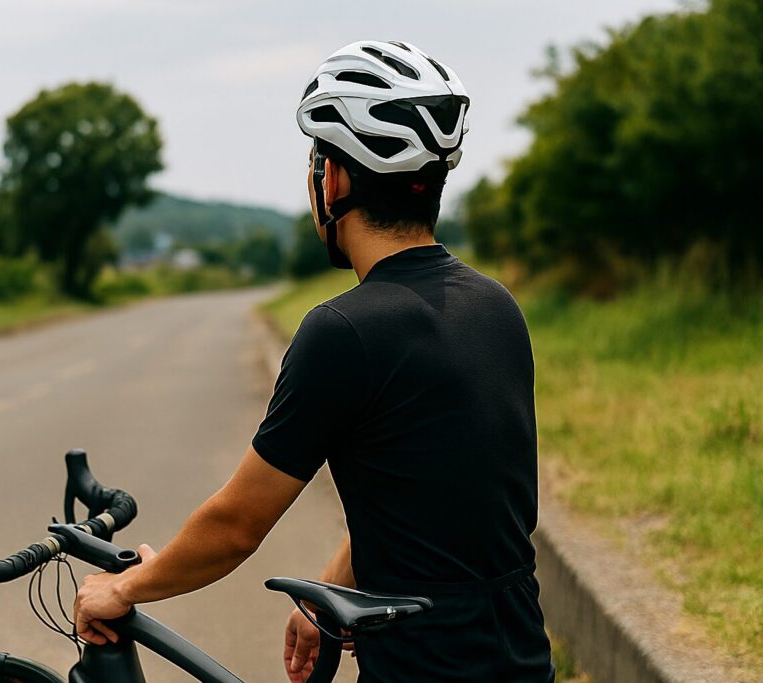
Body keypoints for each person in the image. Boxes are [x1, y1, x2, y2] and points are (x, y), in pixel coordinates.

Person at [74, 40, 554, 682]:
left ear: (332, 180)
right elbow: (432, 497)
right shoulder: (495, 308)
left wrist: (127, 588)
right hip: (520, 660)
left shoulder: (343, 331)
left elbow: (237, 523)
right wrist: (326, 591)